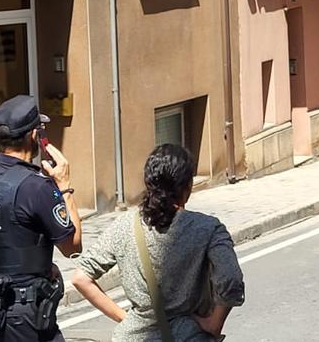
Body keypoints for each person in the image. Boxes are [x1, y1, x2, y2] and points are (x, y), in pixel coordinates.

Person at [72, 145, 245, 341]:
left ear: (148, 184)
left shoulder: (123, 226)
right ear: (188, 187)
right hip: (188, 335)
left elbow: (80, 278)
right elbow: (231, 279)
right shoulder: (208, 229)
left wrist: (126, 318)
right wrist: (213, 324)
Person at [0, 95, 83, 342]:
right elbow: (72, 246)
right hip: (25, 317)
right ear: (34, 136)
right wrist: (64, 187)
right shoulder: (35, 187)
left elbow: (7, 235)